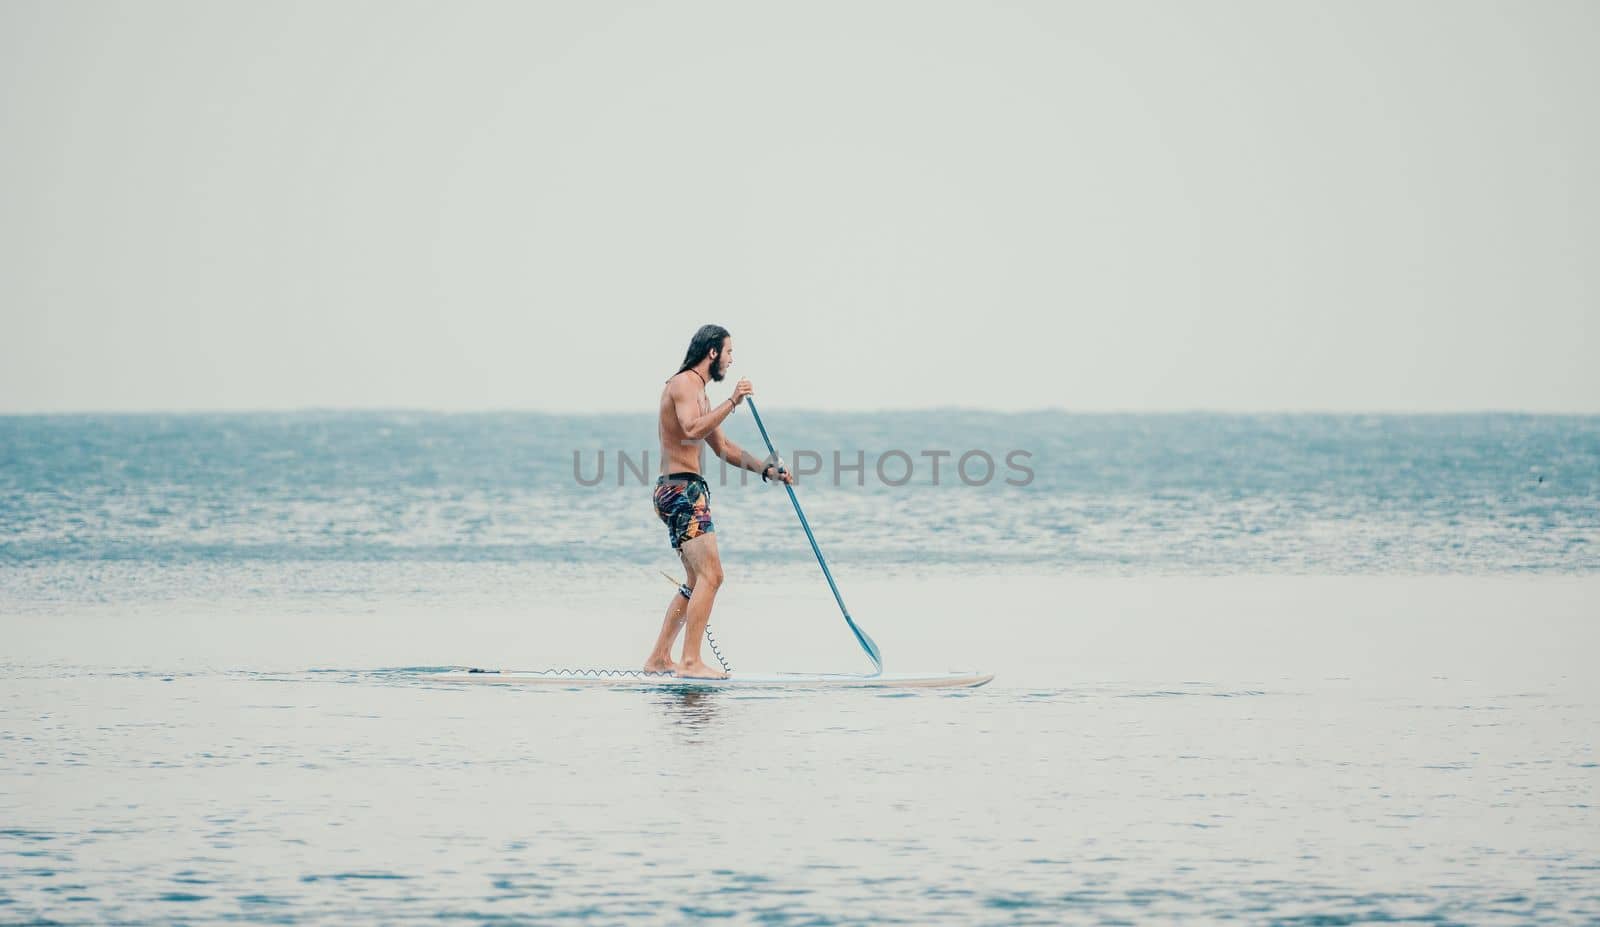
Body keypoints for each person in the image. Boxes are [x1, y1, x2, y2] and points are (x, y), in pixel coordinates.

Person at [645, 324, 793, 678]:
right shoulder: (682, 384)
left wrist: (766, 470)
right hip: (681, 492)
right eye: (728, 352)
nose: (730, 360)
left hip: (684, 491)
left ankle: (660, 659)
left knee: (698, 581)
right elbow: (692, 429)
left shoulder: (702, 394)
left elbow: (723, 448)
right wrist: (733, 402)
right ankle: (691, 662)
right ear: (712, 353)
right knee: (713, 576)